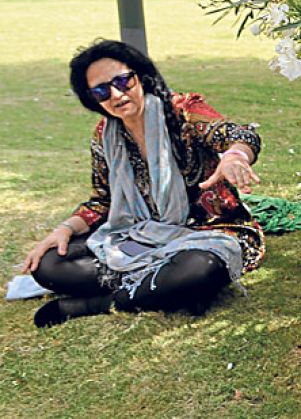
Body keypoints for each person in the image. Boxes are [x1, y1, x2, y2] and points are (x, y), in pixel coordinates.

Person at [22, 40, 266, 328]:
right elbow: (102, 201)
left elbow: (239, 134)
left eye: (123, 81)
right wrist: (63, 230)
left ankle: (100, 303)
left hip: (209, 235)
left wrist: (235, 157)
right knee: (50, 265)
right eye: (101, 91)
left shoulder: (183, 112)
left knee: (200, 269)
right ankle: (162, 290)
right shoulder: (105, 135)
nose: (116, 95)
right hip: (142, 236)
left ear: (141, 76)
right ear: (92, 100)